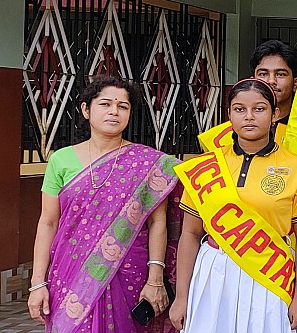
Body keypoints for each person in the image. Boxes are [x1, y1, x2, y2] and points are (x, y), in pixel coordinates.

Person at [27, 75, 182, 332]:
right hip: (70, 272)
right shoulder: (60, 160)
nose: (114, 111)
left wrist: (155, 278)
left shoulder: (149, 164)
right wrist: (37, 283)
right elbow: (48, 222)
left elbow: (158, 223)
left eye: (123, 106)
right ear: (86, 109)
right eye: (105, 104)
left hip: (130, 272)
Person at [169, 78, 297, 333]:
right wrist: (181, 296)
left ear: (275, 114)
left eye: (259, 109)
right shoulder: (207, 166)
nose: (249, 116)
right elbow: (191, 234)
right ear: (229, 114)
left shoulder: (296, 168)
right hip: (214, 272)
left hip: (270, 274)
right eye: (240, 109)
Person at [198, 39, 297, 150]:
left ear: (296, 83)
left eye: (280, 74)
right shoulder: (219, 138)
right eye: (263, 74)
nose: (271, 81)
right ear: (253, 80)